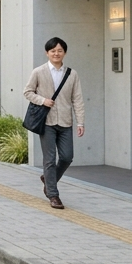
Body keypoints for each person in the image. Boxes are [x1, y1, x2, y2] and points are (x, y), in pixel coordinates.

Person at [23, 36, 85, 210]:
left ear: (64, 52)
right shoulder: (38, 71)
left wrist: (81, 122)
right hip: (47, 122)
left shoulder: (72, 74)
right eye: (53, 51)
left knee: (67, 157)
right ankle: (53, 194)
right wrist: (43, 100)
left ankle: (48, 178)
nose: (56, 53)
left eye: (59, 50)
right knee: (49, 159)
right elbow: (27, 92)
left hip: (66, 121)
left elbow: (77, 99)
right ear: (47, 53)